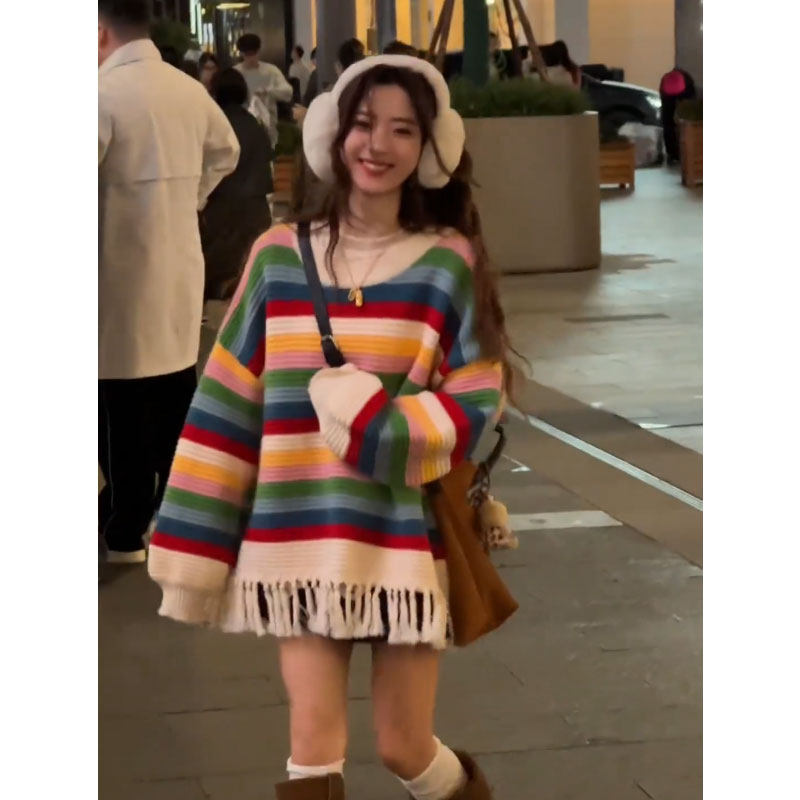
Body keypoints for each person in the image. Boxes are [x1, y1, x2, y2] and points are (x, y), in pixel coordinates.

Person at [148, 54, 513, 800]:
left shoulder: (447, 264)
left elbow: (478, 396)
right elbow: (226, 406)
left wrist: (381, 427)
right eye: (364, 123)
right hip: (299, 536)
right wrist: (194, 546)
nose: (378, 145)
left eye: (402, 130)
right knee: (312, 749)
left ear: (429, 148)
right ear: (332, 133)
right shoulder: (278, 259)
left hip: (404, 540)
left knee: (405, 747)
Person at [98, 0, 240, 564]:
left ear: (99, 33)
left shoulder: (100, 95)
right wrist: (190, 196)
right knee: (175, 390)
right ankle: (179, 515)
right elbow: (226, 150)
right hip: (179, 262)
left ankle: (125, 528)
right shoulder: (188, 91)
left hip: (117, 267)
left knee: (118, 403)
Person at [201, 68, 273, 301]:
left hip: (221, 215)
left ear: (215, 92)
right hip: (256, 213)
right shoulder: (256, 125)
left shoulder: (214, 124)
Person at [235, 32, 293, 148]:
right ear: (241, 54)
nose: (251, 58)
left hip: (269, 124)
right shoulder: (236, 73)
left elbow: (288, 92)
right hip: (243, 124)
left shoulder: (271, 71)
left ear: (258, 51)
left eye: (254, 54)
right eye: (247, 55)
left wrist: (268, 91)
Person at [659, 67, 697, 165]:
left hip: (684, 94)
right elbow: (667, 119)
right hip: (670, 95)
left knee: (687, 122)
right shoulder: (665, 85)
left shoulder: (688, 84)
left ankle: (681, 152)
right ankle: (673, 153)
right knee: (668, 123)